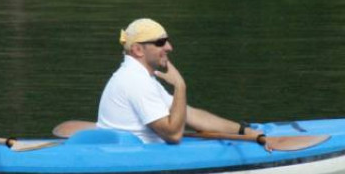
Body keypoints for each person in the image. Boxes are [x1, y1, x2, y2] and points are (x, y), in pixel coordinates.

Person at [97, 18, 261, 144]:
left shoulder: (137, 76)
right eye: (160, 42)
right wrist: (180, 86)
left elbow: (189, 115)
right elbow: (173, 135)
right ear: (138, 50)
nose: (169, 47)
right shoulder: (136, 81)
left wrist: (242, 130)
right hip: (135, 167)